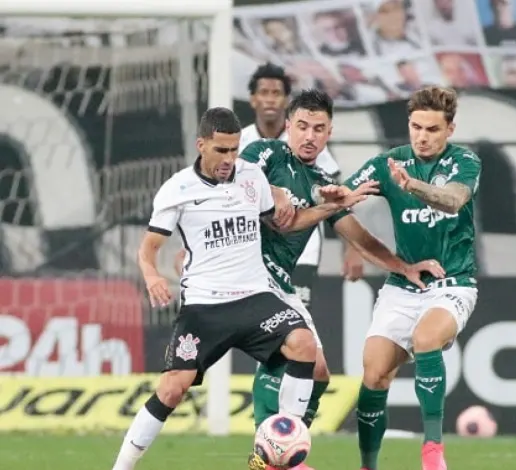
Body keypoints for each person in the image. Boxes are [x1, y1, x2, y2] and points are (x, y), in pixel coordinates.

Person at [110, 107, 375, 470]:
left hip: (255, 298)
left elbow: (286, 223)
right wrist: (152, 275)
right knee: (173, 387)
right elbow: (148, 248)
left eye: (235, 149)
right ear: (201, 145)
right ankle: (121, 467)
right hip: (205, 307)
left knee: (304, 345)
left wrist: (330, 207)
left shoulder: (251, 176)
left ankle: (281, 452)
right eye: (221, 150)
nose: (229, 159)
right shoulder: (178, 188)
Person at [233, 89, 445, 470]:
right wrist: (276, 190)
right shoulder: (267, 153)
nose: (308, 136)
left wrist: (403, 267)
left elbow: (357, 236)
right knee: (288, 351)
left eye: (318, 128)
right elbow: (238, 177)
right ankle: (267, 457)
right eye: (301, 126)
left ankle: (283, 449)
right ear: (287, 127)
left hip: (280, 283)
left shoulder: (319, 181)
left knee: (318, 372)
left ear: (329, 132)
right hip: (247, 274)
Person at [327, 86, 481, 470]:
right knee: (374, 372)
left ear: (450, 129)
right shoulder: (389, 162)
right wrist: (333, 194)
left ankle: (432, 452)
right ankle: (368, 465)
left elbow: (453, 200)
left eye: (432, 129)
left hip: (453, 283)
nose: (422, 136)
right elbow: (344, 197)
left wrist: (411, 186)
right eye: (416, 127)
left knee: (426, 338)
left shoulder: (465, 161)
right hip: (403, 285)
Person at [240, 63, 365, 307]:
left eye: (276, 93)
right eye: (263, 93)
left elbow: (335, 195)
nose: (269, 100)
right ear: (252, 99)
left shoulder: (311, 141)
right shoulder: (243, 141)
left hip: (301, 247)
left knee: (293, 317)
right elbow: (223, 187)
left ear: (286, 100)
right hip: (250, 247)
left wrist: (352, 248)